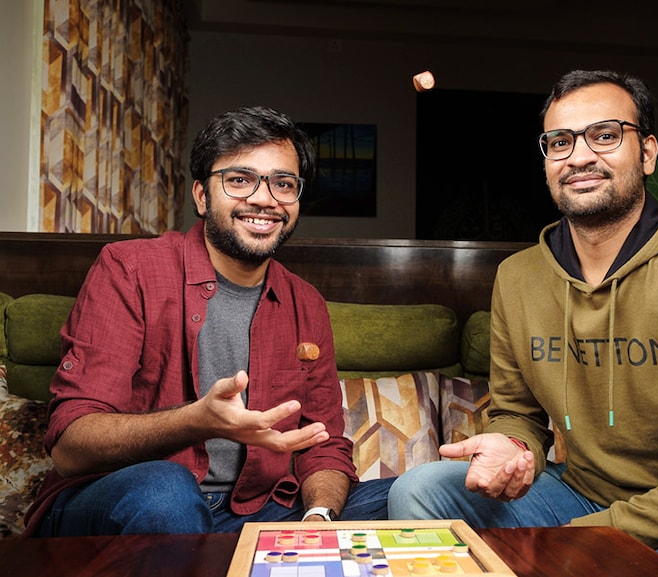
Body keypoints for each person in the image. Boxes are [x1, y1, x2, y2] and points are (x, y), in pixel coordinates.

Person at [387, 70, 658, 577]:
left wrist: (580, 541)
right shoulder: (519, 276)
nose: (579, 156)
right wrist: (515, 445)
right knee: (419, 491)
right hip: (576, 496)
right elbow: (516, 413)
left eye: (606, 135)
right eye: (560, 142)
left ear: (648, 153)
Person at [25, 106, 394, 537]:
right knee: (167, 490)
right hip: (124, 499)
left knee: (415, 497)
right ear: (202, 196)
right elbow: (71, 445)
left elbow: (323, 444)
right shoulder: (129, 269)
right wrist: (197, 420)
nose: (264, 198)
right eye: (240, 180)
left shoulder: (305, 303)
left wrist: (318, 519)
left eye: (283, 183)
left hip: (259, 509)